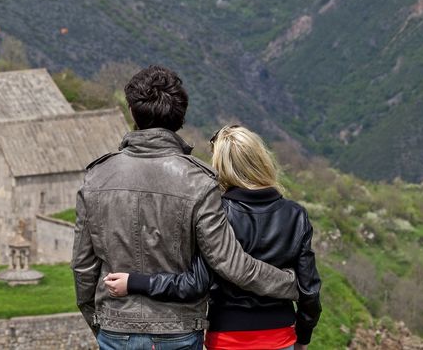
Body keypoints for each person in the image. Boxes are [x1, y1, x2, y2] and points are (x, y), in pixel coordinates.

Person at [71, 66, 299, 350]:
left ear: (132, 112)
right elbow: (231, 263)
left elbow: (83, 266)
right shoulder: (200, 181)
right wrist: (293, 285)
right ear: (181, 116)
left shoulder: (97, 176)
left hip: (116, 327)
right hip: (177, 330)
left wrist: (99, 320)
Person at [103, 125, 322, 350]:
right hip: (280, 335)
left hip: (227, 335)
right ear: (261, 159)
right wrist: (303, 338)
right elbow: (310, 291)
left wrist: (136, 282)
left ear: (222, 167)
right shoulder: (296, 215)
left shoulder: (218, 212)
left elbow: (194, 284)